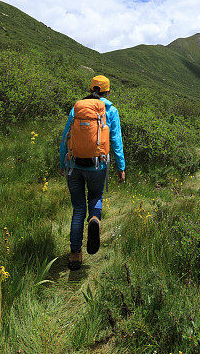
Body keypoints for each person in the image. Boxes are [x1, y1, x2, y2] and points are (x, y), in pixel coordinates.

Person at [59, 75, 126, 271]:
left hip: (74, 165)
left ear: (90, 89)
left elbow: (66, 137)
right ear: (108, 91)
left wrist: (63, 162)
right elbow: (116, 141)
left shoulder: (77, 108)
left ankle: (74, 254)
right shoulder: (111, 110)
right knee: (96, 196)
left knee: (78, 208)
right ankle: (95, 218)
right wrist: (121, 167)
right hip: (97, 166)